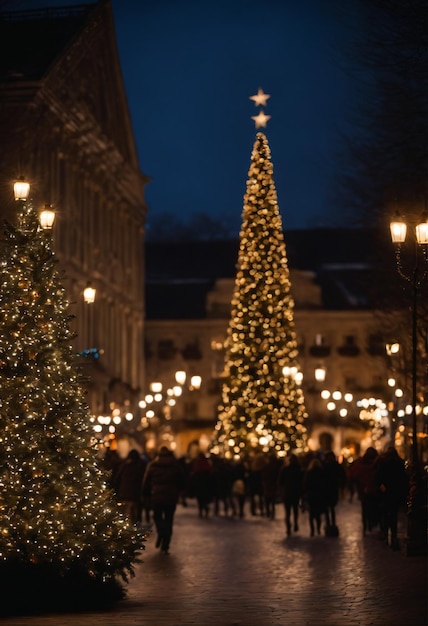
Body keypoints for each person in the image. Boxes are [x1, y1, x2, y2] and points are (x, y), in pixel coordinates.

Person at [142, 446, 186, 554]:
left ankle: (161, 532)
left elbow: (146, 481)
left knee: (157, 516)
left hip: (157, 495)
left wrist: (145, 494)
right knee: (169, 519)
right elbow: (182, 480)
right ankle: (165, 545)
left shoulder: (153, 465)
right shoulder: (175, 466)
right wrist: (179, 491)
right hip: (171, 496)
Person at [374, 445, 408, 550]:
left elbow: (378, 477)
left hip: (388, 492)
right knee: (392, 515)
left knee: (387, 514)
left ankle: (388, 533)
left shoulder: (385, 463)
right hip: (393, 492)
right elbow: (403, 478)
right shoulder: (398, 463)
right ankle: (392, 535)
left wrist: (381, 486)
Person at [349, 446, 379, 535]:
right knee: (372, 507)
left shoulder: (361, 462)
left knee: (365, 509)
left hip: (363, 489)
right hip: (373, 489)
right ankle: (370, 524)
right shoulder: (377, 463)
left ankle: (366, 526)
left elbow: (353, 474)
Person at [113, 449, 146, 524]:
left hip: (124, 494)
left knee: (125, 515)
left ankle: (127, 530)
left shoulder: (124, 466)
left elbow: (117, 479)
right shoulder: (140, 467)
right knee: (133, 515)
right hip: (135, 495)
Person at [278, 453, 303, 536]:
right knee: (295, 510)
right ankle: (295, 523)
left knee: (287, 512)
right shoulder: (299, 470)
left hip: (287, 492)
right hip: (295, 492)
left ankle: (288, 527)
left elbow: (281, 482)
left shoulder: (285, 469)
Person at [322, 450, 346, 532]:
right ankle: (330, 524)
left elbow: (342, 476)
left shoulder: (326, 465)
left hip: (330, 488)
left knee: (330, 507)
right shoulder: (333, 466)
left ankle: (331, 524)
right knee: (330, 508)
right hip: (329, 488)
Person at [303, 457, 327, 536]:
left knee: (312, 514)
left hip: (312, 495)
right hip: (319, 495)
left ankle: (312, 530)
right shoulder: (321, 472)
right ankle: (318, 529)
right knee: (318, 514)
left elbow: (306, 484)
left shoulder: (309, 472)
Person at [190, 452, 215, 518]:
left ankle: (201, 510)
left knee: (200, 498)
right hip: (205, 483)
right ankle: (205, 508)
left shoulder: (197, 463)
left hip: (199, 483)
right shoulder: (207, 462)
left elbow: (195, 471)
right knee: (204, 498)